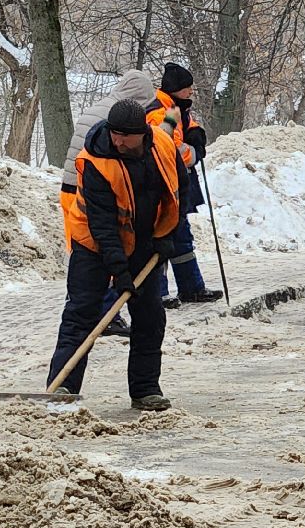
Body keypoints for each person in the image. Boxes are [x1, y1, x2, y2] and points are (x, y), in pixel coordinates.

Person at [48, 98, 180, 411]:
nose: (117, 140)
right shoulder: (95, 159)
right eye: (113, 133)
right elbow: (103, 225)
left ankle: (146, 389)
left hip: (144, 241)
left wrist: (166, 236)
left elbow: (178, 190)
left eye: (124, 135)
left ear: (142, 133)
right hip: (92, 241)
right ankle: (62, 388)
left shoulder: (161, 144)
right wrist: (120, 273)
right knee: (81, 312)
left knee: (150, 316)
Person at [58, 69, 157, 338]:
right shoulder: (119, 118)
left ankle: (95, 309)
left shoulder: (102, 106)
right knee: (92, 254)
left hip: (71, 186)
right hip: (87, 189)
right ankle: (102, 313)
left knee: (84, 254)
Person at [147, 62, 223, 307]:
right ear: (176, 88)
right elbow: (170, 150)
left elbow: (189, 127)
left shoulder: (176, 107)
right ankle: (158, 294)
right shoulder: (160, 111)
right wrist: (195, 151)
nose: (191, 91)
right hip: (164, 186)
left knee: (181, 237)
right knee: (163, 237)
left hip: (177, 184)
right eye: (188, 87)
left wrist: (197, 133)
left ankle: (191, 287)